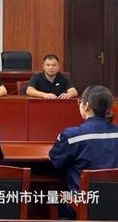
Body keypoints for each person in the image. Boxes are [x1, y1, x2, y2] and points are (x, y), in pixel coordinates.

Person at [49, 85, 118, 219]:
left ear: (86, 106)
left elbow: (55, 162)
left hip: (84, 207)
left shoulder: (72, 136)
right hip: (115, 205)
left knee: (52, 194)